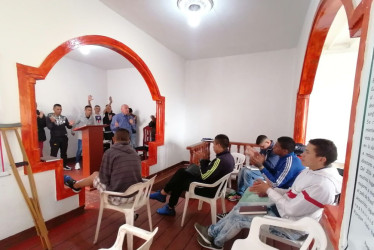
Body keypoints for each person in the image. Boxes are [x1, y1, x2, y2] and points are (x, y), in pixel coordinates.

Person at [194, 138, 343, 250]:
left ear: (321, 159)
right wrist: (268, 190)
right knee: (240, 208)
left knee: (239, 217)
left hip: (291, 227)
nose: (302, 154)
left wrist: (268, 190)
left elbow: (291, 209)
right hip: (281, 212)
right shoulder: (312, 170)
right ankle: (212, 232)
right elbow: (291, 193)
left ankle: (216, 242)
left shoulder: (323, 185)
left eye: (307, 152)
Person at [149, 134, 235, 216]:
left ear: (219, 145)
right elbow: (213, 170)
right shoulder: (229, 157)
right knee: (182, 172)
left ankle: (167, 201)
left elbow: (204, 176)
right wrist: (205, 161)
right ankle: (164, 196)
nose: (213, 147)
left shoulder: (220, 160)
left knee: (180, 180)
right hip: (215, 186)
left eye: (214, 145)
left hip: (209, 189)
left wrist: (202, 161)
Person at [64, 129, 142, 205]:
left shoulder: (110, 152)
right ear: (129, 140)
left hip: (119, 198)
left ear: (113, 139)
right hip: (137, 195)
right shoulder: (134, 153)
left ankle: (75, 185)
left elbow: (103, 178)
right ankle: (76, 184)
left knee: (95, 175)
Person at [228, 135, 280, 201]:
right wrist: (253, 154)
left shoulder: (274, 150)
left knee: (247, 172)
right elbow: (259, 159)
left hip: (269, 172)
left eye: (262, 146)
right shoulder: (265, 148)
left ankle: (249, 195)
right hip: (262, 168)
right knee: (243, 169)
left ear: (268, 142)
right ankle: (240, 194)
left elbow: (271, 166)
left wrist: (262, 161)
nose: (262, 148)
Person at [46, 104, 75, 171]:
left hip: (64, 138)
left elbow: (68, 126)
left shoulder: (64, 117)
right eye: (58, 109)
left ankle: (64, 165)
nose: (59, 111)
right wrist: (52, 122)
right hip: (55, 138)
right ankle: (52, 167)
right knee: (53, 153)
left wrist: (70, 125)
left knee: (64, 153)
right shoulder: (50, 116)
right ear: (54, 109)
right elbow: (49, 127)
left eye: (60, 109)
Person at [72, 105, 94, 170]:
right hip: (81, 136)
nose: (90, 111)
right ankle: (77, 163)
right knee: (80, 150)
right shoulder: (80, 117)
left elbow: (93, 126)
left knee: (89, 150)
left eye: (91, 110)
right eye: (88, 110)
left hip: (89, 136)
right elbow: (75, 123)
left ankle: (88, 163)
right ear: (85, 110)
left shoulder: (92, 117)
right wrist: (72, 131)